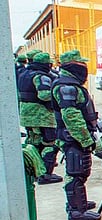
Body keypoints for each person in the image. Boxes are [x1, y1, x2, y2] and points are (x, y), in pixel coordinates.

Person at [51, 49, 101, 220]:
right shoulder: (66, 87)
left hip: (75, 137)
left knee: (81, 170)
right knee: (75, 171)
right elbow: (71, 117)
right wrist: (85, 139)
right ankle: (75, 211)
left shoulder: (71, 84)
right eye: (81, 64)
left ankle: (79, 203)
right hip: (72, 137)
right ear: (71, 65)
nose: (84, 68)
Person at [18, 51, 63, 185]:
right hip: (41, 116)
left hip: (26, 115)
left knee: (34, 143)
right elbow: (44, 95)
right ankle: (45, 174)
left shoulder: (24, 74)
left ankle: (33, 171)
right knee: (50, 143)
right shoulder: (41, 76)